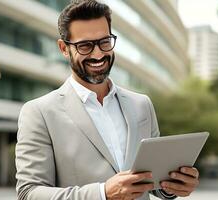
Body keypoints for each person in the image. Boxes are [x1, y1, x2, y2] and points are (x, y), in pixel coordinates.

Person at [15, 0, 199, 199]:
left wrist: (171, 186)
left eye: (104, 42)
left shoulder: (142, 105)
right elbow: (29, 192)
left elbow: (151, 181)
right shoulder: (39, 112)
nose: (98, 54)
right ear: (63, 48)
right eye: (85, 45)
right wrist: (103, 194)